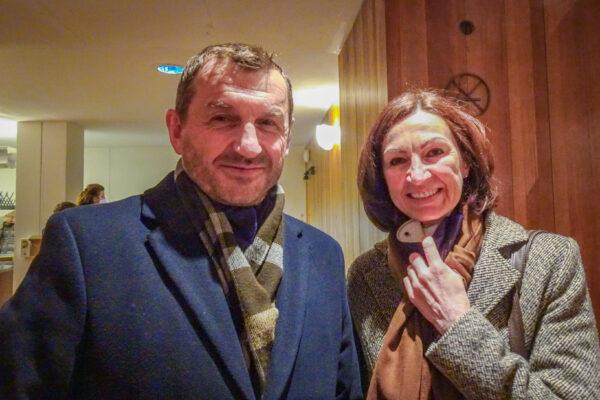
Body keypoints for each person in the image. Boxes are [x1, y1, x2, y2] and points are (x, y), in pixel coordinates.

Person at [0, 43, 361, 399]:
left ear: (286, 138)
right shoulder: (86, 245)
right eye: (222, 118)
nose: (249, 146)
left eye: (268, 122)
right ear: (176, 129)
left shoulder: (324, 256)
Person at [348, 89, 600, 399]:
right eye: (398, 160)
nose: (417, 175)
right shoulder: (365, 276)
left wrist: (458, 323)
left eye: (434, 152)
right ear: (383, 178)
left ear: (465, 162)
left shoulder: (549, 260)